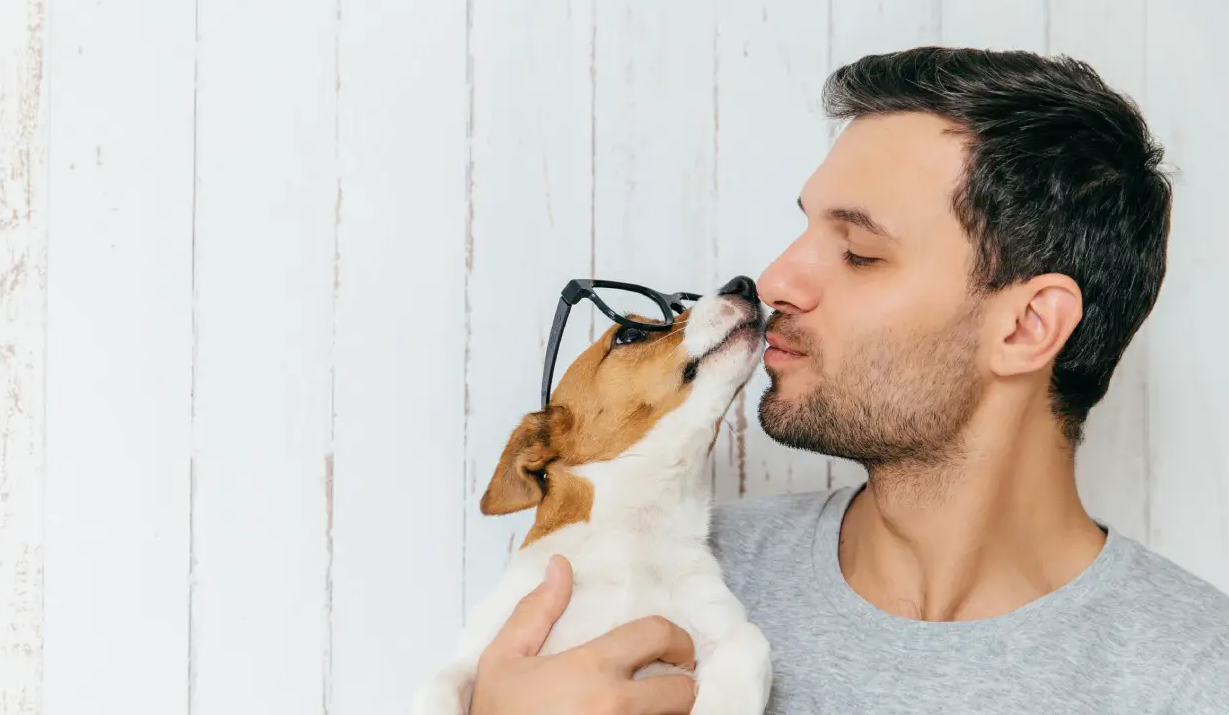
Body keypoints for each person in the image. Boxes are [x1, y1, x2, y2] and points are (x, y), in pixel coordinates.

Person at [464, 46, 1229, 714]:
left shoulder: (1194, 678)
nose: (775, 280)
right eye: (805, 229)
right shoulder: (648, 574)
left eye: (859, 252)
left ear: (1028, 327)